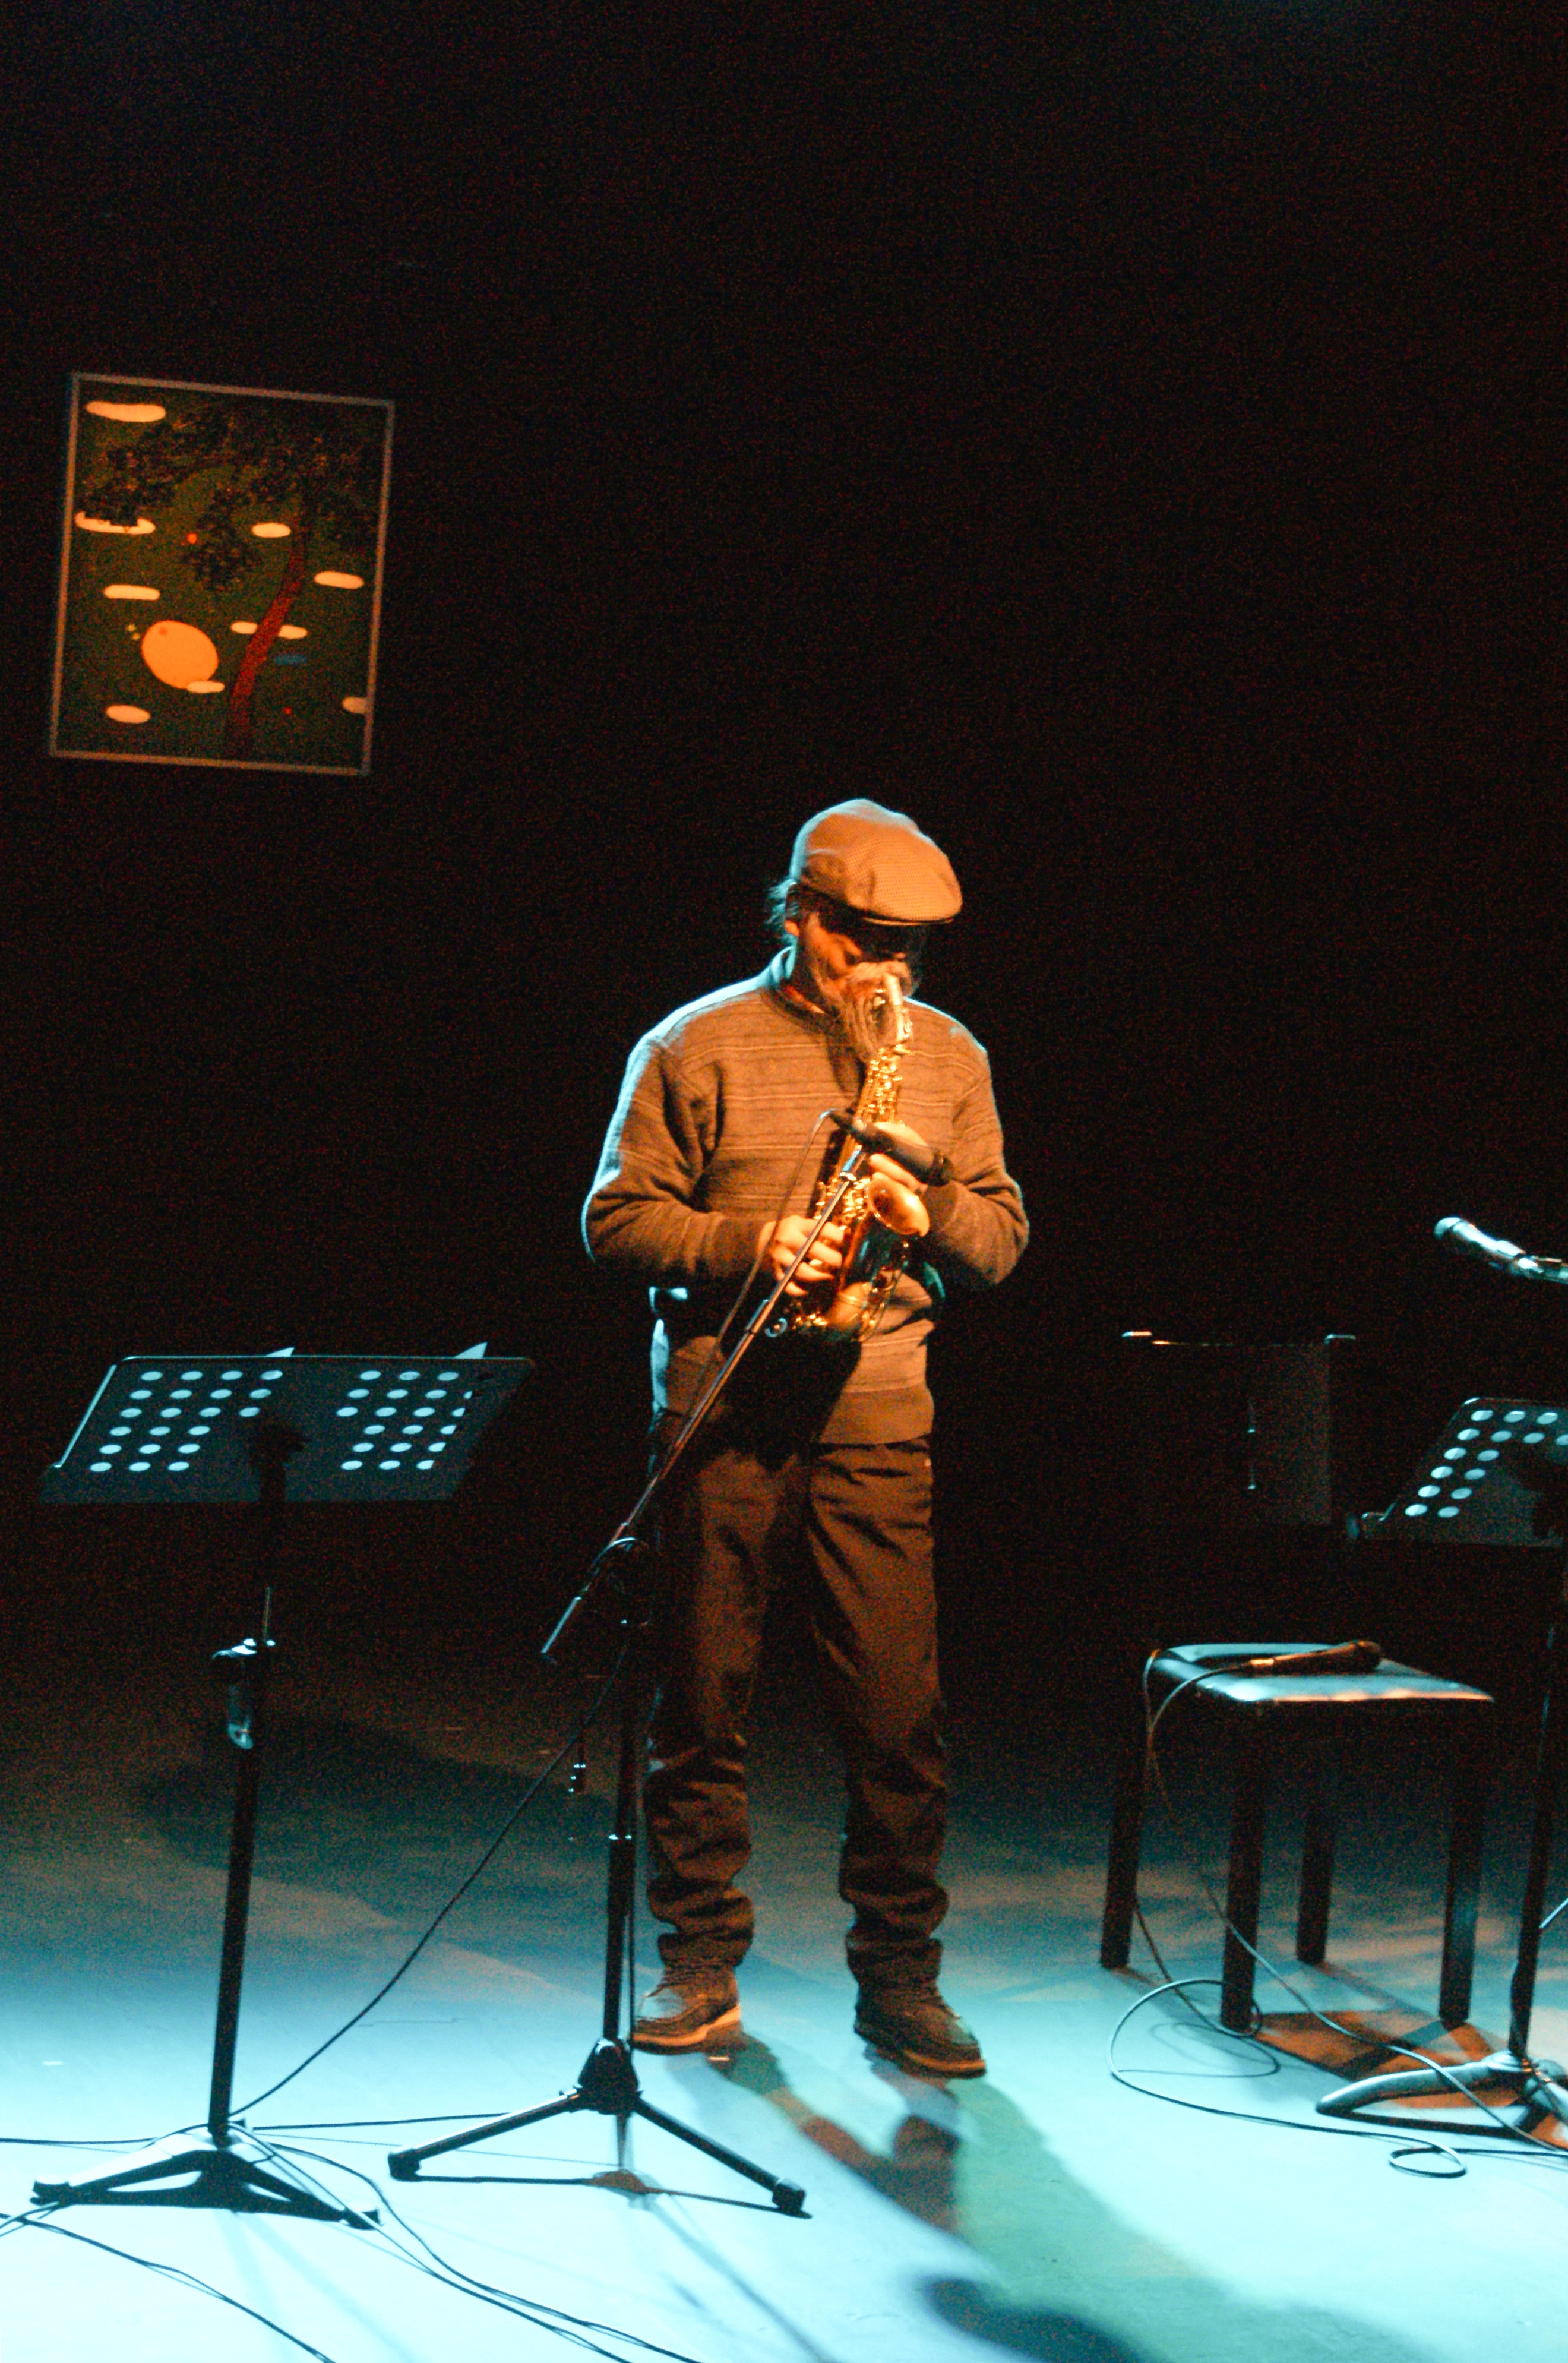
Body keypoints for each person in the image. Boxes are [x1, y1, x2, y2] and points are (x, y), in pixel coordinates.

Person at [582, 798, 1028, 2077]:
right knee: (700, 1695)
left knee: (898, 1715)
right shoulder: (695, 1043)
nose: (887, 970)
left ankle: (901, 1979)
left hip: (876, 1410)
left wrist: (928, 1208)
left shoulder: (950, 1057)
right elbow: (615, 1223)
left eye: (909, 948)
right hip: (725, 1408)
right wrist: (754, 1242)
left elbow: (1000, 1241)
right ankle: (698, 1961)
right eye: (861, 940)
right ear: (799, 913)